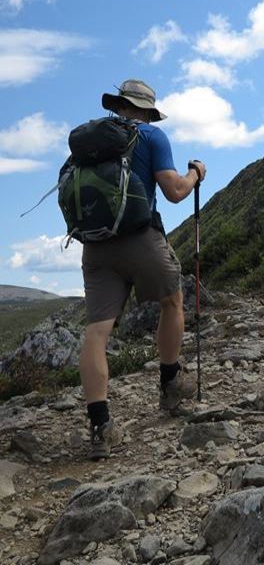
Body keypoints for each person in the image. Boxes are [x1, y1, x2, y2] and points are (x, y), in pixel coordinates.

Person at [80, 79, 207, 460]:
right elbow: (174, 191)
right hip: (139, 236)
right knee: (172, 301)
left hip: (95, 245)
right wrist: (196, 174)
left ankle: (100, 426)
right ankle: (170, 385)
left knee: (97, 331)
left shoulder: (92, 142)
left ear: (119, 105)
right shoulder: (152, 136)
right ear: (147, 110)